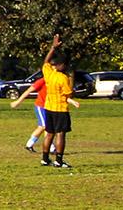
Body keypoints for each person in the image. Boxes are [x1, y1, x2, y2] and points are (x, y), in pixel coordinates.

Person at [39, 35, 80, 168]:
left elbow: (46, 62)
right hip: (60, 109)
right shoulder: (63, 78)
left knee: (49, 133)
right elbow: (68, 94)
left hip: (49, 107)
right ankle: (59, 160)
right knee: (60, 134)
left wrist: (53, 48)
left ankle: (45, 159)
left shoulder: (49, 73)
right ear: (62, 65)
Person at [10, 76, 50, 153]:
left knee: (48, 127)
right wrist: (18, 102)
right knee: (43, 126)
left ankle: (47, 146)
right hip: (41, 106)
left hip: (50, 107)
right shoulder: (42, 81)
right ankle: (33, 145)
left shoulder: (54, 81)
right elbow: (28, 91)